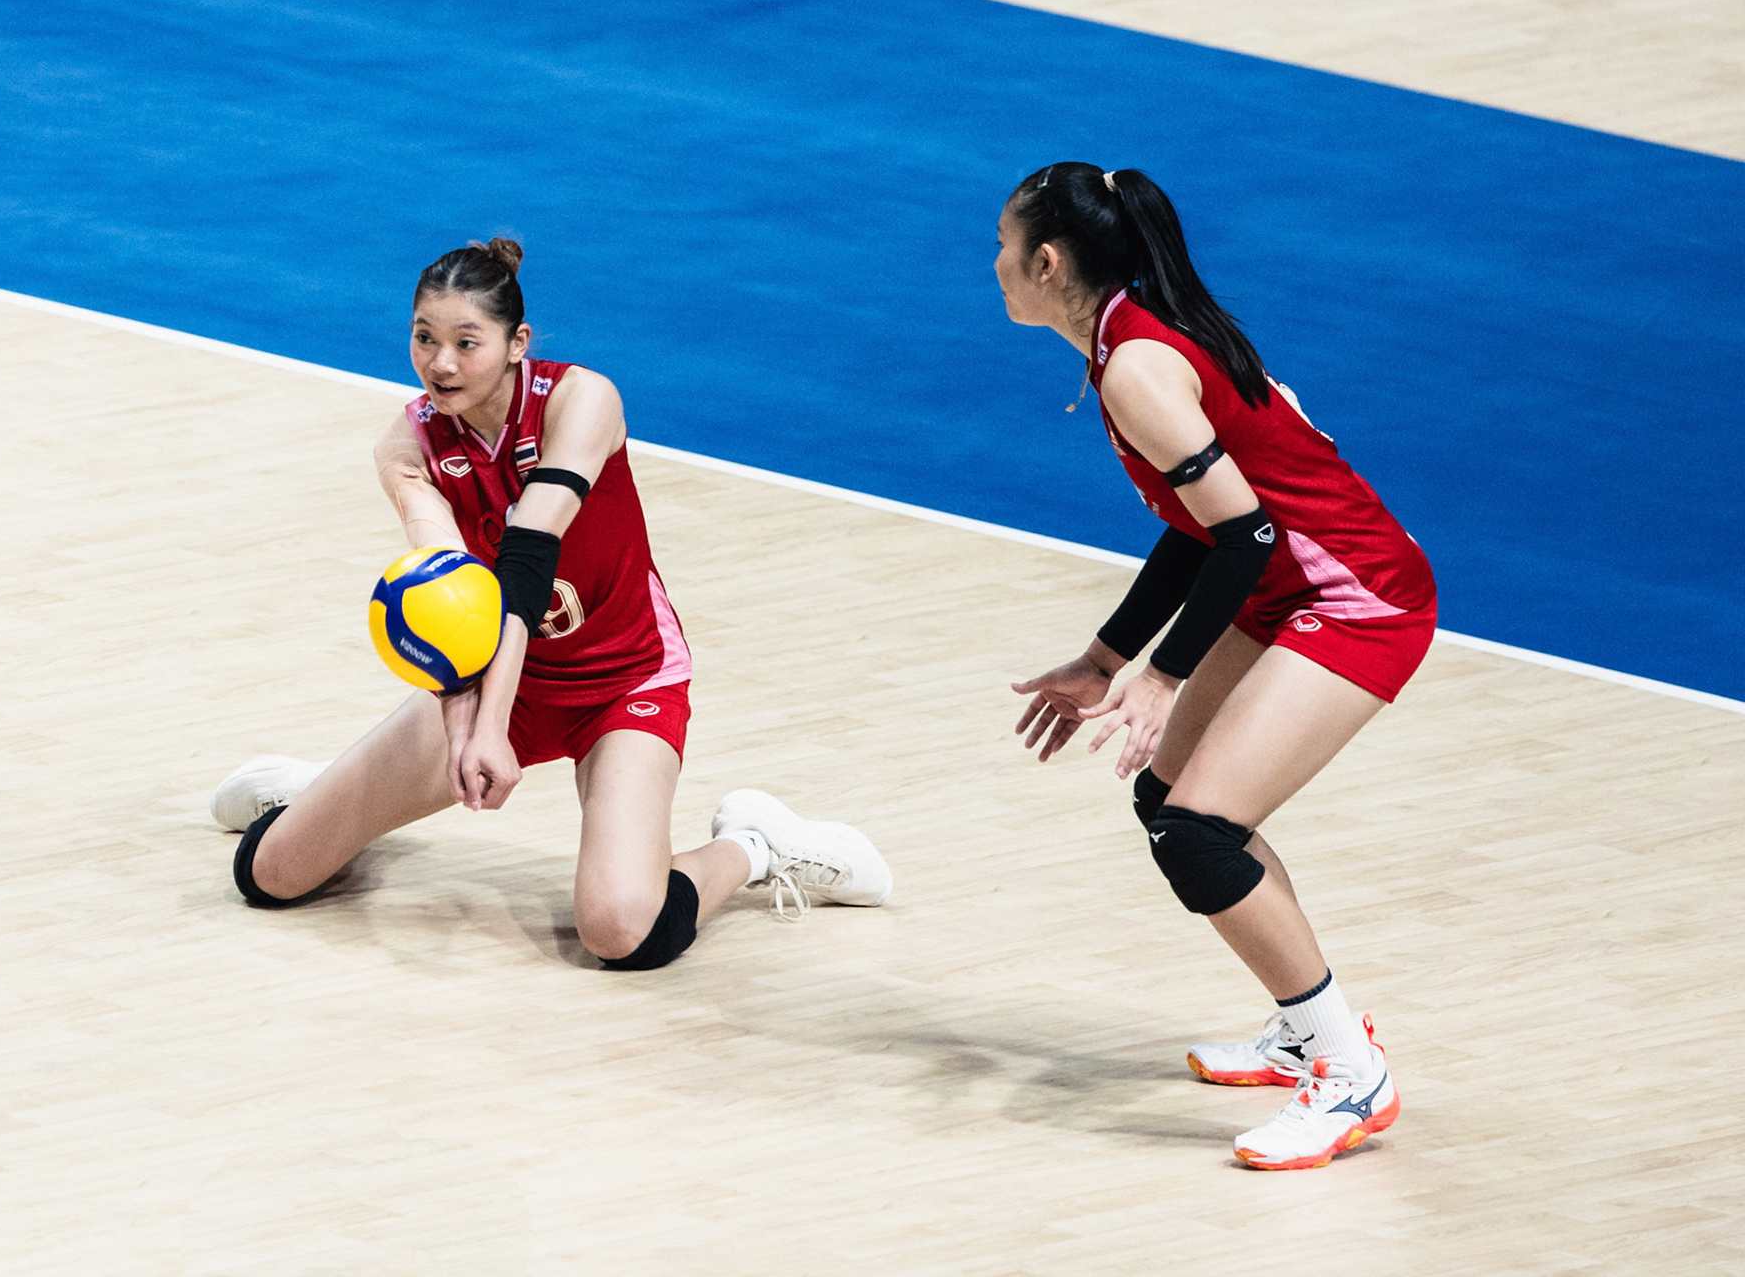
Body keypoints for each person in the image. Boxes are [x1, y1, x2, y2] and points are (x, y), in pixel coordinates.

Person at [212, 238, 891, 970]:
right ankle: (325, 795)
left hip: (625, 682)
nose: (440, 363)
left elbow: (526, 562)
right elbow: (443, 599)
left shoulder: (581, 400)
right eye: (424, 338)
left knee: (622, 930)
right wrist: (464, 717)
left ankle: (755, 846)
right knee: (269, 875)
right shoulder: (407, 446)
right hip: (507, 677)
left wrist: (490, 729)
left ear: (516, 342)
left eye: (466, 342)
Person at [997, 165, 1437, 1170]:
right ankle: (1308, 1028)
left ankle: (1349, 1074)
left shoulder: (1135, 368)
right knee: (1174, 805)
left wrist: (1159, 678)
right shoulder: (1128, 337)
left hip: (1356, 598)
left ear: (1049, 261)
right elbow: (1202, 533)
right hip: (1290, 590)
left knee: (1198, 832)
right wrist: (1102, 659)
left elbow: (1242, 532)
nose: (996, 264)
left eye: (1004, 244)